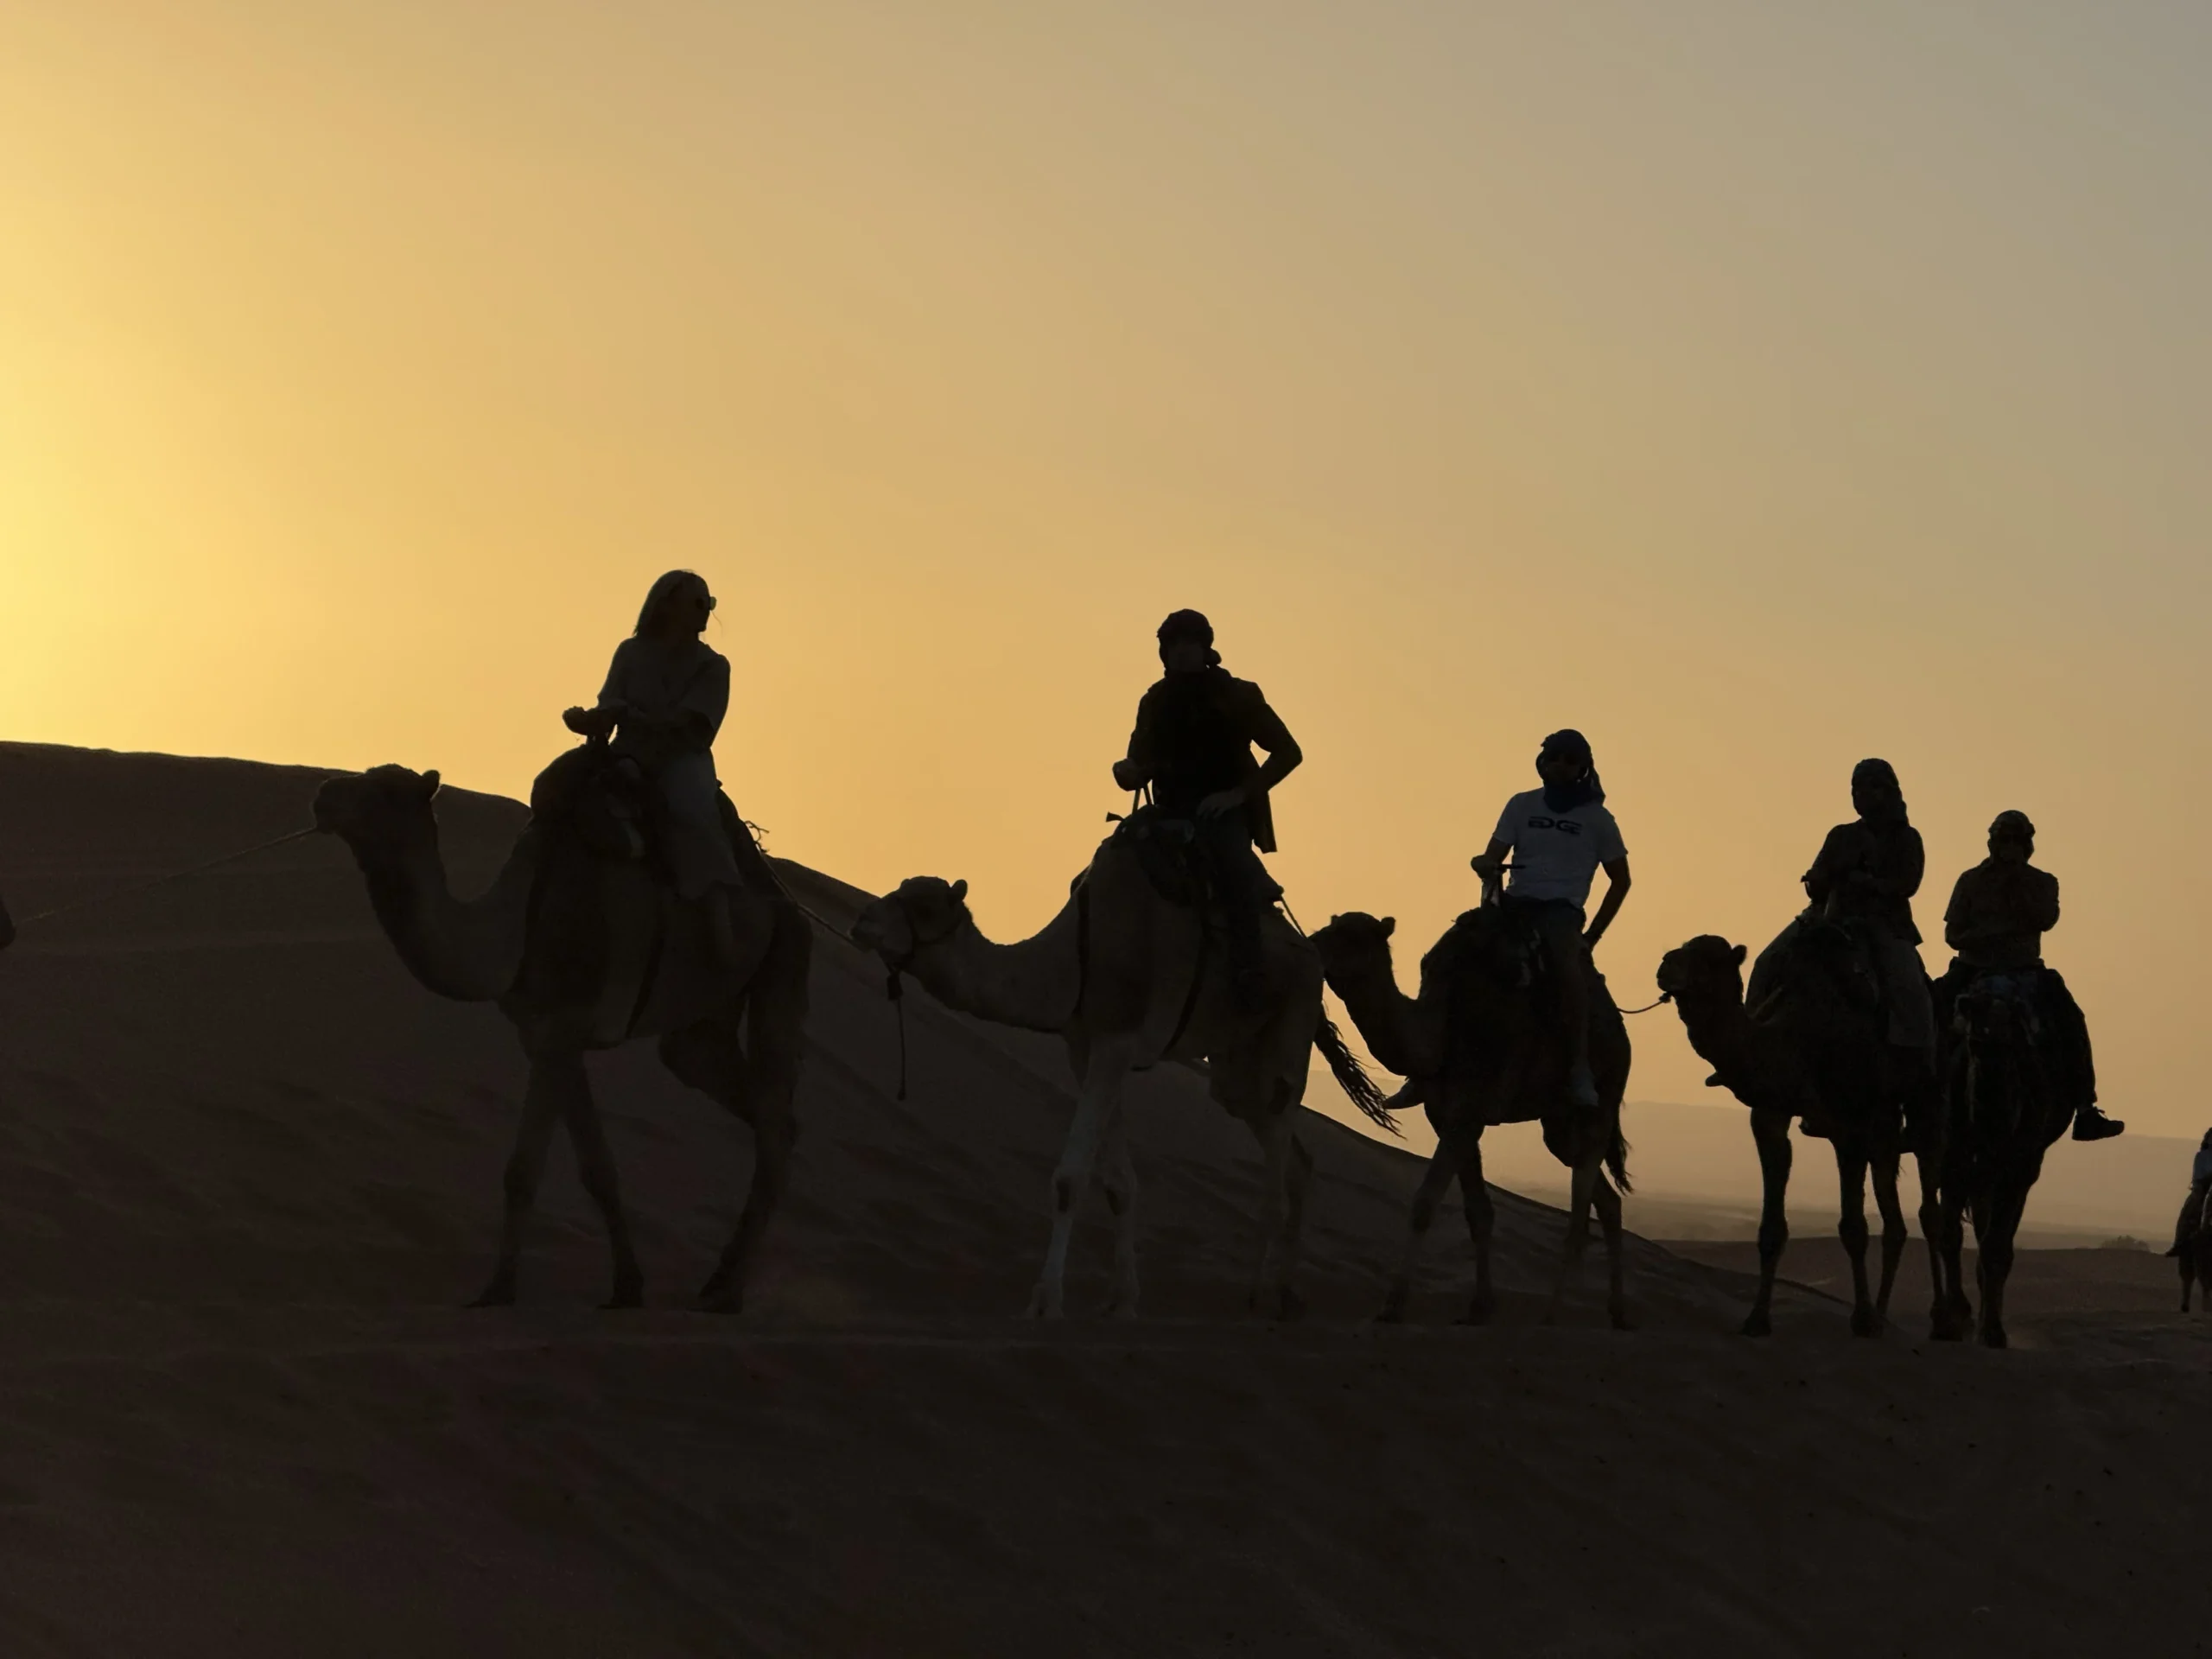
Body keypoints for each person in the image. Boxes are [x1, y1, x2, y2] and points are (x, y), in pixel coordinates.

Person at [1113, 610, 1301, 1008]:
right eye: (1172, 645)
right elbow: (1139, 761)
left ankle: (1250, 970)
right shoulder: (1155, 701)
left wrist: (1238, 796)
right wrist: (1127, 772)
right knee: (1112, 861)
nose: (1180, 653)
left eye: (1188, 644)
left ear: (1205, 647)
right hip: (1168, 810)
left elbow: (1288, 752)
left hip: (1222, 810)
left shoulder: (1238, 695)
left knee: (1234, 868)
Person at [563, 569, 744, 959]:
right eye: (698, 603)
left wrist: (630, 715)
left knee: (690, 810)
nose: (705, 612)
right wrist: (588, 720)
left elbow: (690, 723)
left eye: (708, 604)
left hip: (680, 759)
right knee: (559, 787)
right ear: (667, 604)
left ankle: (718, 921)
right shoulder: (631, 653)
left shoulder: (712, 666)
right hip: (625, 750)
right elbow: (609, 704)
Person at [1469, 729, 1630, 1109]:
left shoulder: (1598, 819)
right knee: (1453, 953)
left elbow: (1620, 879)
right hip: (1513, 905)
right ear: (1542, 762)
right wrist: (1484, 864)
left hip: (1560, 912)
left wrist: (1592, 936)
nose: (1561, 765)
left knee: (1567, 971)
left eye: (1570, 760)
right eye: (1555, 757)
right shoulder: (1521, 805)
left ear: (1582, 768)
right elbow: (1493, 853)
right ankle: (1427, 1068)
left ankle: (1579, 1068)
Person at [1939, 810, 2123, 1141]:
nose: (2006, 847)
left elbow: (2045, 918)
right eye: (2000, 840)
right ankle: (1913, 1106)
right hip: (1972, 969)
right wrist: (1991, 934)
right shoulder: (1971, 881)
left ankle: (2085, 1108)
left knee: (2070, 1018)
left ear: (2026, 845)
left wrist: (2015, 887)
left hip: (2024, 971)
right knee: (1929, 1009)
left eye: (2013, 840)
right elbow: (1953, 933)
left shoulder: (2042, 882)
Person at [1802, 759, 1936, 1068]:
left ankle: (1918, 1066)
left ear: (1888, 791)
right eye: (1855, 788)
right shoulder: (1840, 835)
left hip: (1885, 924)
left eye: (1868, 787)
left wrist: (1867, 883)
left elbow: (1907, 884)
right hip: (1831, 919)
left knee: (1908, 989)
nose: (1860, 794)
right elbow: (1818, 876)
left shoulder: (1906, 838)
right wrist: (1818, 880)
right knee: (1772, 960)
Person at [2167, 1129, 2212, 1256]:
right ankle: (2179, 1242)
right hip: (2204, 1186)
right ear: (2207, 1139)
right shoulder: (2201, 1156)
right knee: (2190, 1208)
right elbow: (2198, 1175)